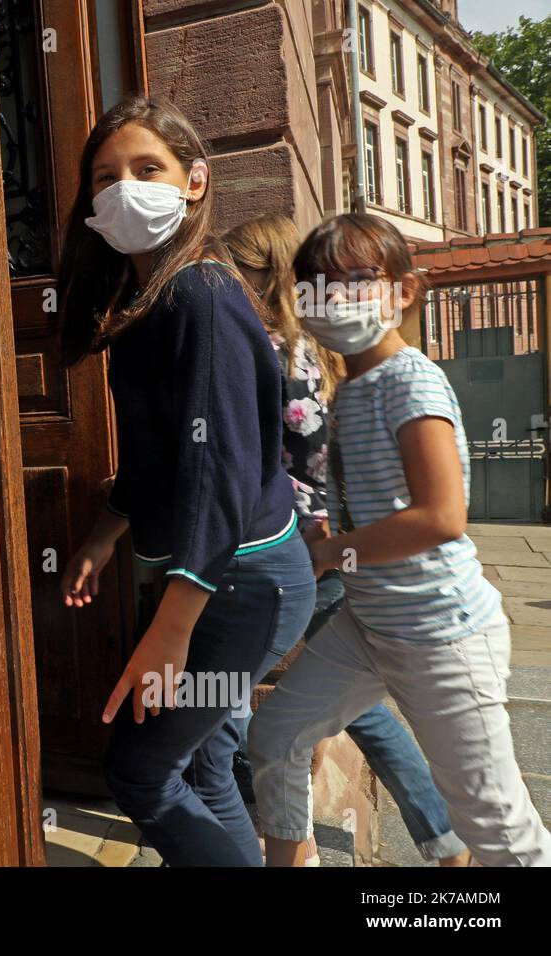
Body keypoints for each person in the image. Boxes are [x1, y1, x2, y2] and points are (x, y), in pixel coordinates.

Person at [57, 96, 315, 867]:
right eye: (106, 178)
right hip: (216, 586)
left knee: (140, 771)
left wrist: (171, 630)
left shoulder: (199, 294)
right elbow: (153, 460)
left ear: (194, 181)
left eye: (147, 169)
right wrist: (103, 537)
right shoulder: (147, 302)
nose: (124, 190)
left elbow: (221, 474)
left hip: (240, 591)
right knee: (201, 763)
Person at [249, 212, 551, 867]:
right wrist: (336, 530)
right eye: (318, 284)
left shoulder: (407, 379)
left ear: (403, 292)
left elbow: (442, 516)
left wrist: (333, 551)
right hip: (372, 623)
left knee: (497, 827)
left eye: (358, 280)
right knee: (277, 734)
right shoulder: (354, 386)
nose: (335, 298)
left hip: (441, 630)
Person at [223, 214, 469, 867]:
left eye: (238, 271)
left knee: (238, 694)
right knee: (352, 708)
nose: (229, 284)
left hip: (301, 545)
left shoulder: (279, 347)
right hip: (330, 542)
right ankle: (439, 843)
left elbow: (277, 456)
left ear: (265, 271)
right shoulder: (319, 343)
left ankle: (279, 839)